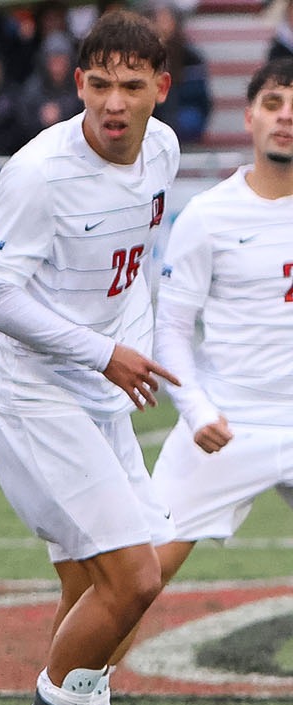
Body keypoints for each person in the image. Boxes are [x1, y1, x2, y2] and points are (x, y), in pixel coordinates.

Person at [0, 11, 182, 705]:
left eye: (132, 85)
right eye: (99, 84)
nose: (114, 102)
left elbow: (141, 264)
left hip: (98, 395)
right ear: (77, 83)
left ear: (161, 88)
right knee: (134, 580)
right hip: (32, 397)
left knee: (98, 595)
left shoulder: (162, 151)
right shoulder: (39, 173)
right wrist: (104, 353)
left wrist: (140, 350)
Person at [147, 61, 293, 595]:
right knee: (135, 580)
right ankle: (82, 663)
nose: (286, 117)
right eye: (274, 104)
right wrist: (197, 411)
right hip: (226, 422)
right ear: (249, 116)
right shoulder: (207, 215)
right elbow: (170, 330)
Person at [149, 2, 212, 146]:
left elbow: (201, 98)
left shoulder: (191, 57)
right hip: (153, 109)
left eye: (166, 21)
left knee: (187, 120)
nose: (162, 26)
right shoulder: (142, 56)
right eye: (158, 21)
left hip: (183, 108)